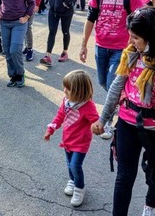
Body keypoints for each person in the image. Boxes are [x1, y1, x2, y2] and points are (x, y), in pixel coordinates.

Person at [91, 6, 155, 216]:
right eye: (130, 36)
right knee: (124, 176)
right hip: (128, 122)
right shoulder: (132, 53)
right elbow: (116, 86)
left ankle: (149, 207)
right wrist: (103, 119)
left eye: (136, 38)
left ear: (153, 37)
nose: (131, 42)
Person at [79, 0, 143, 139]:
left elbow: (140, 22)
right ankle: (126, 100)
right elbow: (90, 19)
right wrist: (84, 45)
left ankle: (108, 122)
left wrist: (136, 45)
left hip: (121, 50)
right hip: (101, 46)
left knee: (111, 83)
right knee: (101, 82)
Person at [44, 70, 99, 207]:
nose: (64, 90)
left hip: (81, 143)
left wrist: (99, 127)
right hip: (68, 139)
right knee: (69, 164)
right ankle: (72, 180)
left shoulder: (88, 106)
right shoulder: (67, 101)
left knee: (75, 165)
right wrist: (51, 129)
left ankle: (79, 188)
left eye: (68, 89)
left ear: (79, 91)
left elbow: (96, 121)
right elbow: (60, 116)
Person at [0, 0, 35, 87]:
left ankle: (20, 74)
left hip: (19, 22)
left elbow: (31, 3)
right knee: (7, 51)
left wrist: (26, 17)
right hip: (4, 22)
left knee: (15, 50)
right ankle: (13, 76)